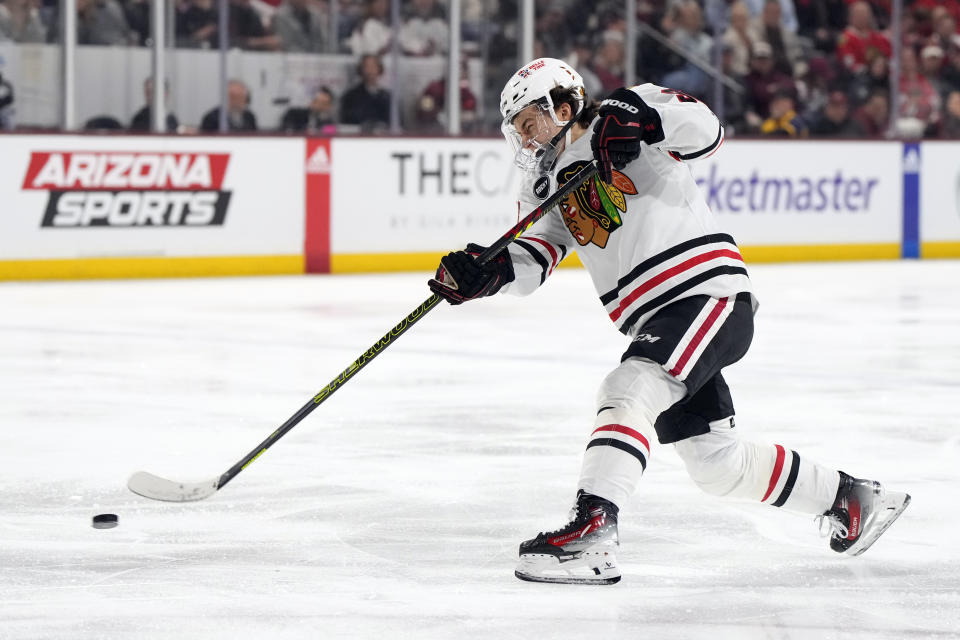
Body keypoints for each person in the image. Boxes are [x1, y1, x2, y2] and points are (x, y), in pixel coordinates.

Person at [427, 57, 911, 585]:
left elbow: (708, 131)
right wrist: (487, 271)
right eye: (517, 131)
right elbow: (535, 256)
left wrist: (637, 113)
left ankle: (594, 528)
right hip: (659, 317)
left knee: (630, 386)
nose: (525, 139)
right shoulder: (543, 186)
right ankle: (851, 498)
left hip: (704, 293)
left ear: (563, 106)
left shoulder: (624, 112)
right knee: (714, 463)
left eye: (530, 123)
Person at [339, 54, 389, 131]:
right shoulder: (350, 96)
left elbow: (395, 123)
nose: (370, 70)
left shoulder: (388, 96)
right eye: (367, 67)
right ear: (361, 70)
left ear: (379, 69)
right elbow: (348, 122)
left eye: (373, 66)